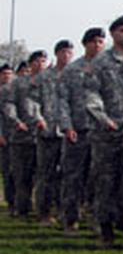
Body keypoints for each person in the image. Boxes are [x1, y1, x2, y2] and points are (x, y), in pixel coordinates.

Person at [85, 16, 123, 246]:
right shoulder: (101, 63)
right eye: (122, 31)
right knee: (106, 180)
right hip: (107, 132)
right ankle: (105, 227)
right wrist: (103, 118)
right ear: (113, 34)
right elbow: (91, 94)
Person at [57, 28, 106, 236]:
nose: (98, 45)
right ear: (85, 44)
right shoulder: (72, 70)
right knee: (73, 176)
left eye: (101, 41)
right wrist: (67, 126)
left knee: (99, 177)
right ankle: (71, 219)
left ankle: (98, 218)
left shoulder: (109, 68)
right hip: (78, 130)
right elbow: (62, 101)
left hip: (102, 131)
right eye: (94, 41)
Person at [32, 40, 74, 227]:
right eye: (63, 52)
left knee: (68, 175)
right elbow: (32, 102)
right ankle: (44, 212)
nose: (67, 56)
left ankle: (66, 212)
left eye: (70, 52)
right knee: (46, 174)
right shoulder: (43, 77)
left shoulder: (76, 74)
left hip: (69, 132)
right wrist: (38, 119)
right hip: (48, 132)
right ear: (57, 54)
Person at [4, 51, 48, 219]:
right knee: (22, 175)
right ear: (30, 64)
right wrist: (16, 122)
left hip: (45, 136)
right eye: (37, 61)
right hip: (22, 137)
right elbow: (9, 105)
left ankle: (44, 209)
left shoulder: (50, 82)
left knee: (44, 175)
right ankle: (21, 208)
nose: (40, 64)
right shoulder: (17, 84)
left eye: (43, 61)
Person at [0, 62, 16, 210]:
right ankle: (11, 200)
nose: (7, 77)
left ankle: (19, 200)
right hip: (4, 136)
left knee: (18, 170)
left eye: (10, 74)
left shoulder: (16, 90)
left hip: (18, 136)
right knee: (7, 169)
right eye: (5, 74)